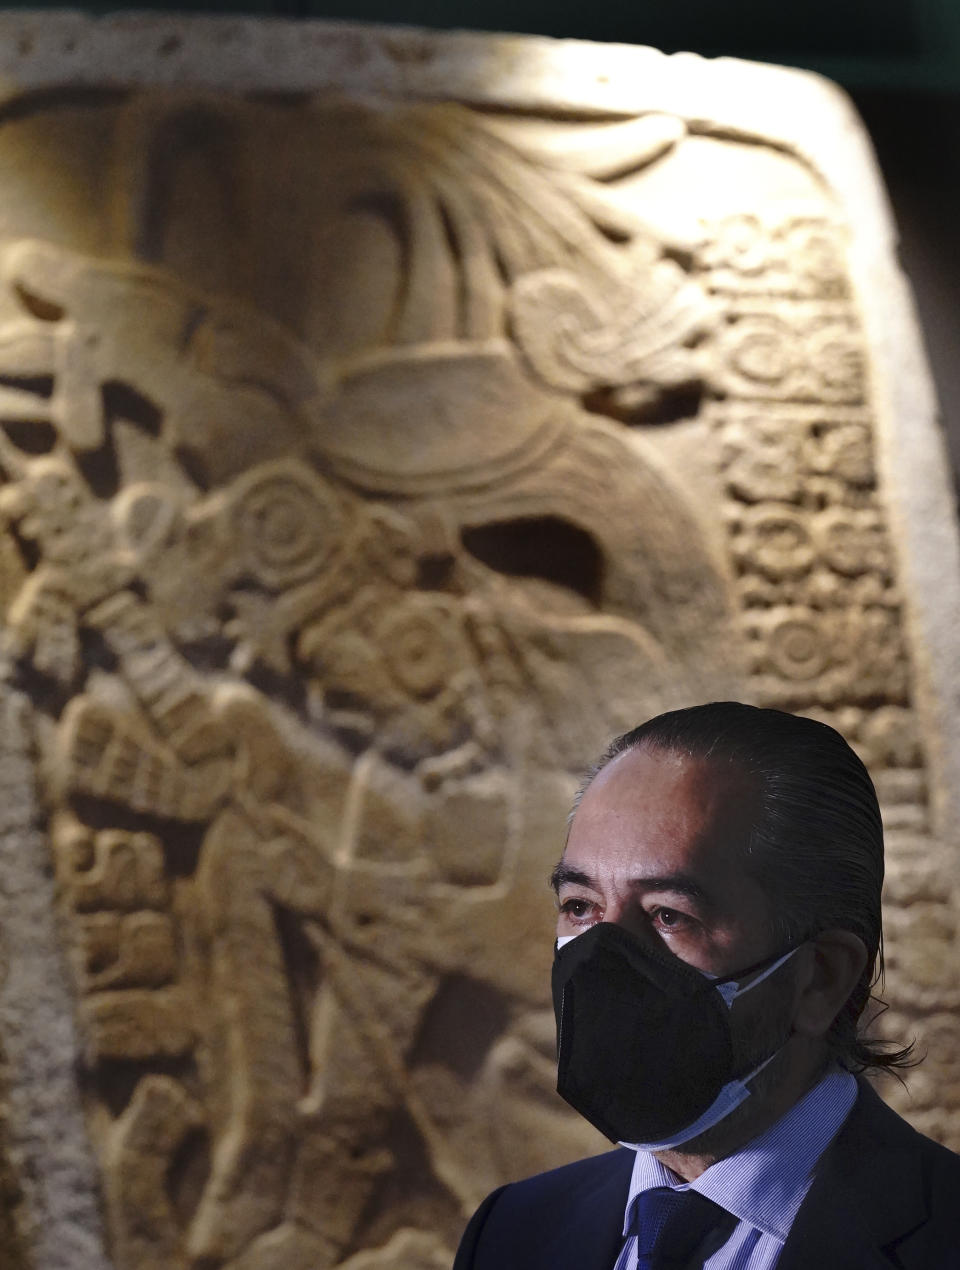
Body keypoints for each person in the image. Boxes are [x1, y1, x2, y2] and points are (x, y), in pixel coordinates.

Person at [453, 702, 960, 1269]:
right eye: (580, 906)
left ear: (821, 977)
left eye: (670, 915)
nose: (604, 959)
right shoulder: (511, 1234)